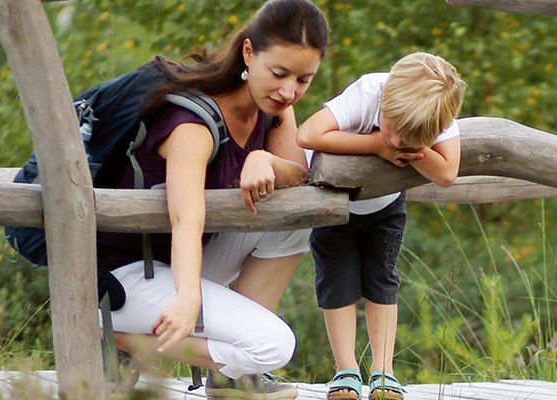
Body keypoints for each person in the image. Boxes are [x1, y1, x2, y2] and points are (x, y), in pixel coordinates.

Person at [99, 1, 327, 399]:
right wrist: (188, 299)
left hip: (180, 260)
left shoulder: (272, 108)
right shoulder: (194, 123)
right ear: (248, 53)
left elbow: (301, 175)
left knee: (296, 218)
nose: (289, 91)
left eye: (303, 79)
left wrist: (265, 158)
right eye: (279, 73)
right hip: (126, 275)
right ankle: (119, 338)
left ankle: (230, 376)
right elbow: (185, 219)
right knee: (275, 346)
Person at [295, 52, 467, 400]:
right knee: (336, 281)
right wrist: (374, 144)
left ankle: (383, 371)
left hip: (386, 209)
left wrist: (420, 152)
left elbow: (448, 173)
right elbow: (307, 134)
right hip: (335, 205)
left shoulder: (438, 112)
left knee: (382, 281)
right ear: (385, 101)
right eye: (394, 130)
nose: (398, 143)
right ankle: (346, 371)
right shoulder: (370, 92)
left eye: (410, 139)